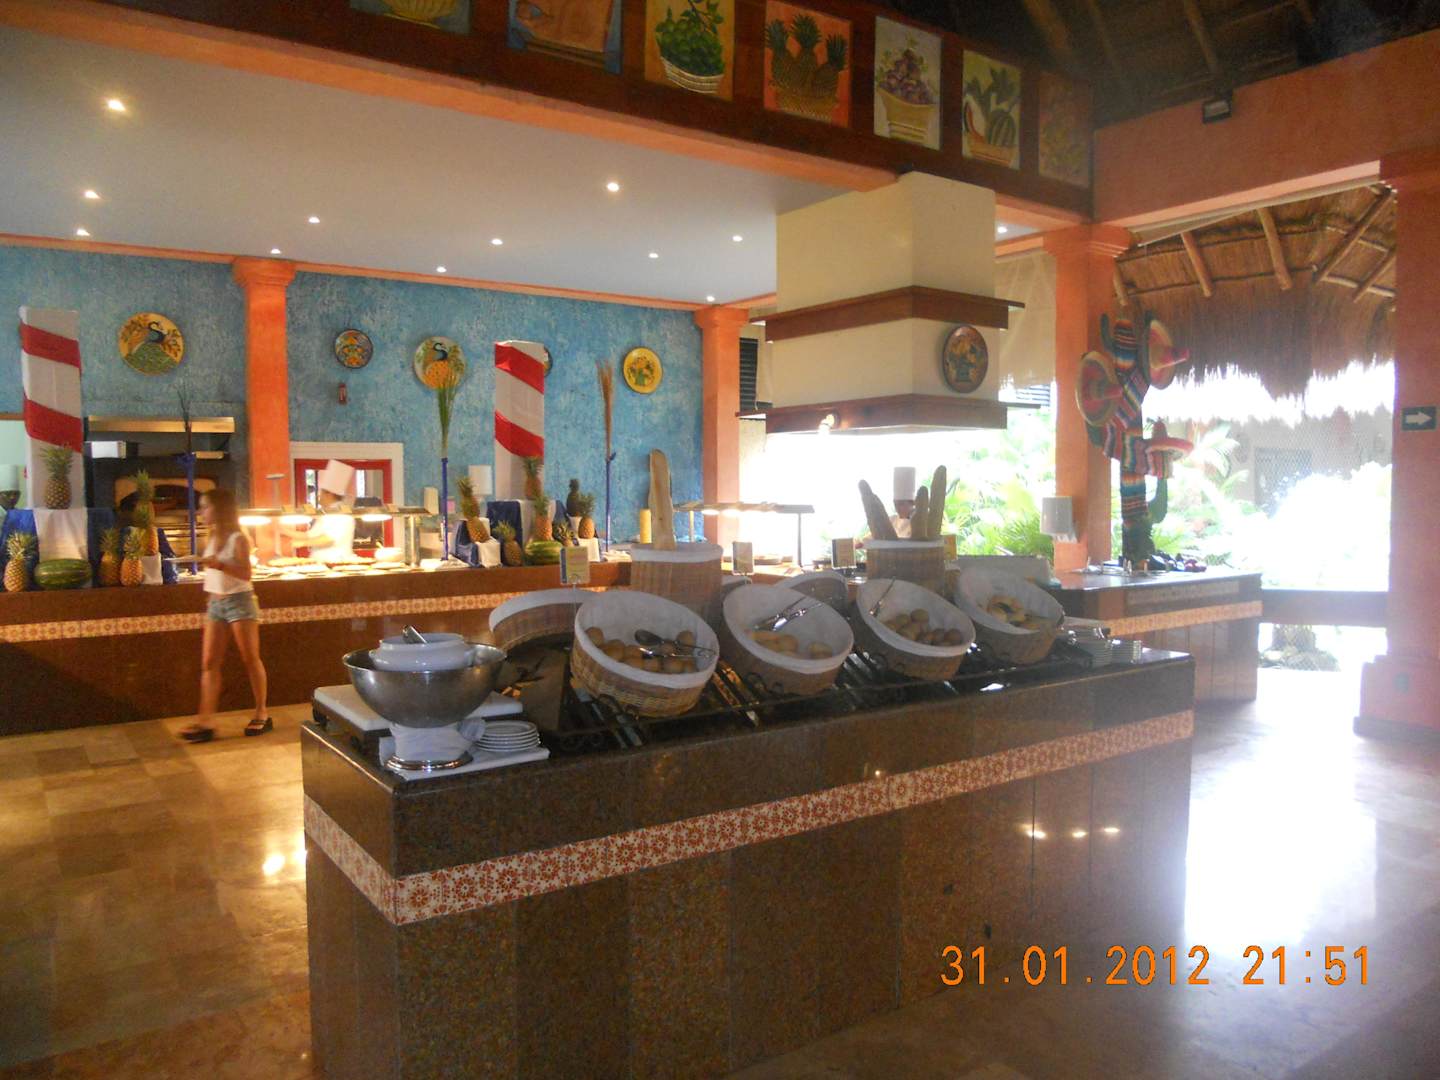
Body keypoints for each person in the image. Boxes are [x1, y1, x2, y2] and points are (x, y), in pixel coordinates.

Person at [180, 488, 269, 743]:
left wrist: (218, 564)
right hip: (216, 603)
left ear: (220, 509)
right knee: (209, 663)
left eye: (205, 506)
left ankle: (261, 712)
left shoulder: (238, 538)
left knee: (250, 658)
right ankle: (205, 720)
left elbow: (246, 574)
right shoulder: (212, 535)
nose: (201, 512)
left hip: (239, 601)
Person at [285, 459, 356, 561]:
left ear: (329, 494)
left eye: (321, 492)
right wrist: (284, 531)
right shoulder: (326, 513)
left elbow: (329, 539)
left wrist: (303, 543)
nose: (319, 496)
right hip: (320, 563)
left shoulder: (340, 514)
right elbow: (309, 535)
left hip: (336, 562)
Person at [889, 466, 917, 539]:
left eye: (901, 504)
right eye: (895, 504)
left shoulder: (921, 521)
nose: (897, 508)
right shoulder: (891, 520)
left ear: (912, 503)